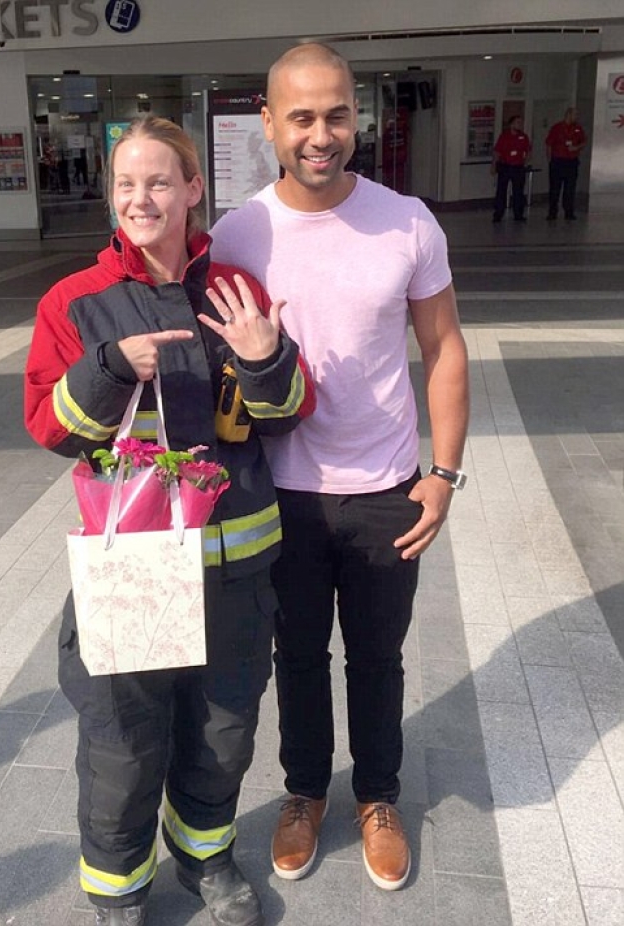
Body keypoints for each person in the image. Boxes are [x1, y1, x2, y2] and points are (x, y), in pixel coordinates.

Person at [24, 115, 315, 926]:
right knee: (122, 738)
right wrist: (110, 369)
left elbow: (287, 416)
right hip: (136, 570)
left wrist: (265, 359)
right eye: (125, 183)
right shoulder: (73, 302)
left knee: (223, 729)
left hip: (233, 570)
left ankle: (204, 860)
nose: (139, 198)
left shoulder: (236, 291)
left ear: (193, 190)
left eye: (158, 181)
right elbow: (51, 429)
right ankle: (117, 889)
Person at [210, 43, 469, 894]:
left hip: (387, 491)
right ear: (269, 125)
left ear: (356, 115)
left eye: (335, 115)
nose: (320, 135)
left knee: (377, 658)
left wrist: (443, 474)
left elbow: (442, 349)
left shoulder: (406, 221)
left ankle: (379, 797)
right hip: (278, 494)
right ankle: (304, 792)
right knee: (298, 658)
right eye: (301, 117)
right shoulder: (237, 232)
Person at [545, 107, 586, 220]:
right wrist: (550, 159)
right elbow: (549, 144)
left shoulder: (578, 128)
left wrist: (576, 147)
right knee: (555, 188)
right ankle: (552, 212)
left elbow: (583, 142)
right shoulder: (557, 128)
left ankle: (569, 212)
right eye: (575, 115)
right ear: (568, 114)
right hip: (558, 161)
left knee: (570, 188)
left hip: (571, 162)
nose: (576, 117)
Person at [492, 115, 531, 222]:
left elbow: (528, 151)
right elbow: (497, 152)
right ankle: (498, 214)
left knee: (518, 191)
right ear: (512, 124)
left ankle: (518, 214)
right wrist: (494, 165)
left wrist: (525, 162)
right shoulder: (504, 136)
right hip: (505, 166)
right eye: (518, 122)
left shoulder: (523, 137)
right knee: (501, 191)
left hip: (518, 167)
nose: (520, 125)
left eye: (521, 122)